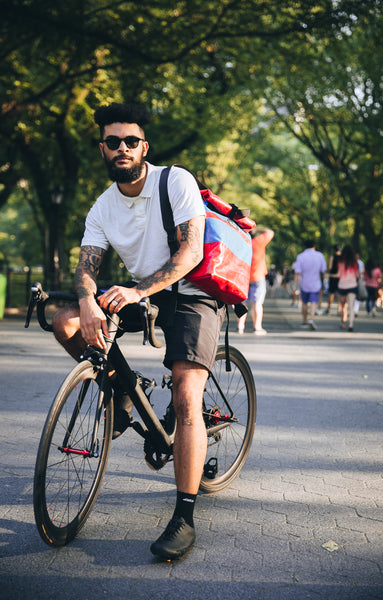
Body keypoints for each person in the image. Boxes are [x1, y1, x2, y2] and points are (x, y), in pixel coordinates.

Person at [51, 102, 226, 560]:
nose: (122, 148)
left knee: (187, 394)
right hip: (141, 294)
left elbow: (189, 254)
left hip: (191, 294)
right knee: (64, 319)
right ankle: (124, 391)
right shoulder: (103, 206)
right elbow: (87, 266)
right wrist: (88, 300)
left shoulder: (175, 181)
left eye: (131, 141)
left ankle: (183, 517)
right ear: (102, 149)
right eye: (113, 142)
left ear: (144, 147)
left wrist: (134, 292)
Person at [237, 227, 275, 335]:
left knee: (242, 303)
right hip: (257, 277)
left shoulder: (241, 244)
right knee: (257, 303)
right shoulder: (258, 241)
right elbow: (270, 232)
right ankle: (257, 327)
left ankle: (240, 327)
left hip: (243, 277)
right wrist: (256, 229)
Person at [293, 240, 326, 330]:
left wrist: (295, 284)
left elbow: (297, 272)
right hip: (316, 283)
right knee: (314, 302)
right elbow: (323, 270)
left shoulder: (300, 256)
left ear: (304, 247)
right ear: (314, 246)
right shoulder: (320, 255)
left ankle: (304, 321)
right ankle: (311, 318)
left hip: (304, 283)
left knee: (304, 303)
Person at [335, 244, 359, 331]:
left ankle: (343, 322)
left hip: (342, 286)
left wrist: (329, 275)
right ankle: (351, 325)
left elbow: (338, 275)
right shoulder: (355, 263)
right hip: (352, 286)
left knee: (343, 306)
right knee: (351, 307)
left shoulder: (340, 262)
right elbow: (357, 275)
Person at [325, 244, 341, 315]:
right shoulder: (342, 257)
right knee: (339, 294)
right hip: (340, 277)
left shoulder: (332, 257)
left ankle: (328, 309)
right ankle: (339, 310)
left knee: (331, 293)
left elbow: (330, 267)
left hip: (332, 277)